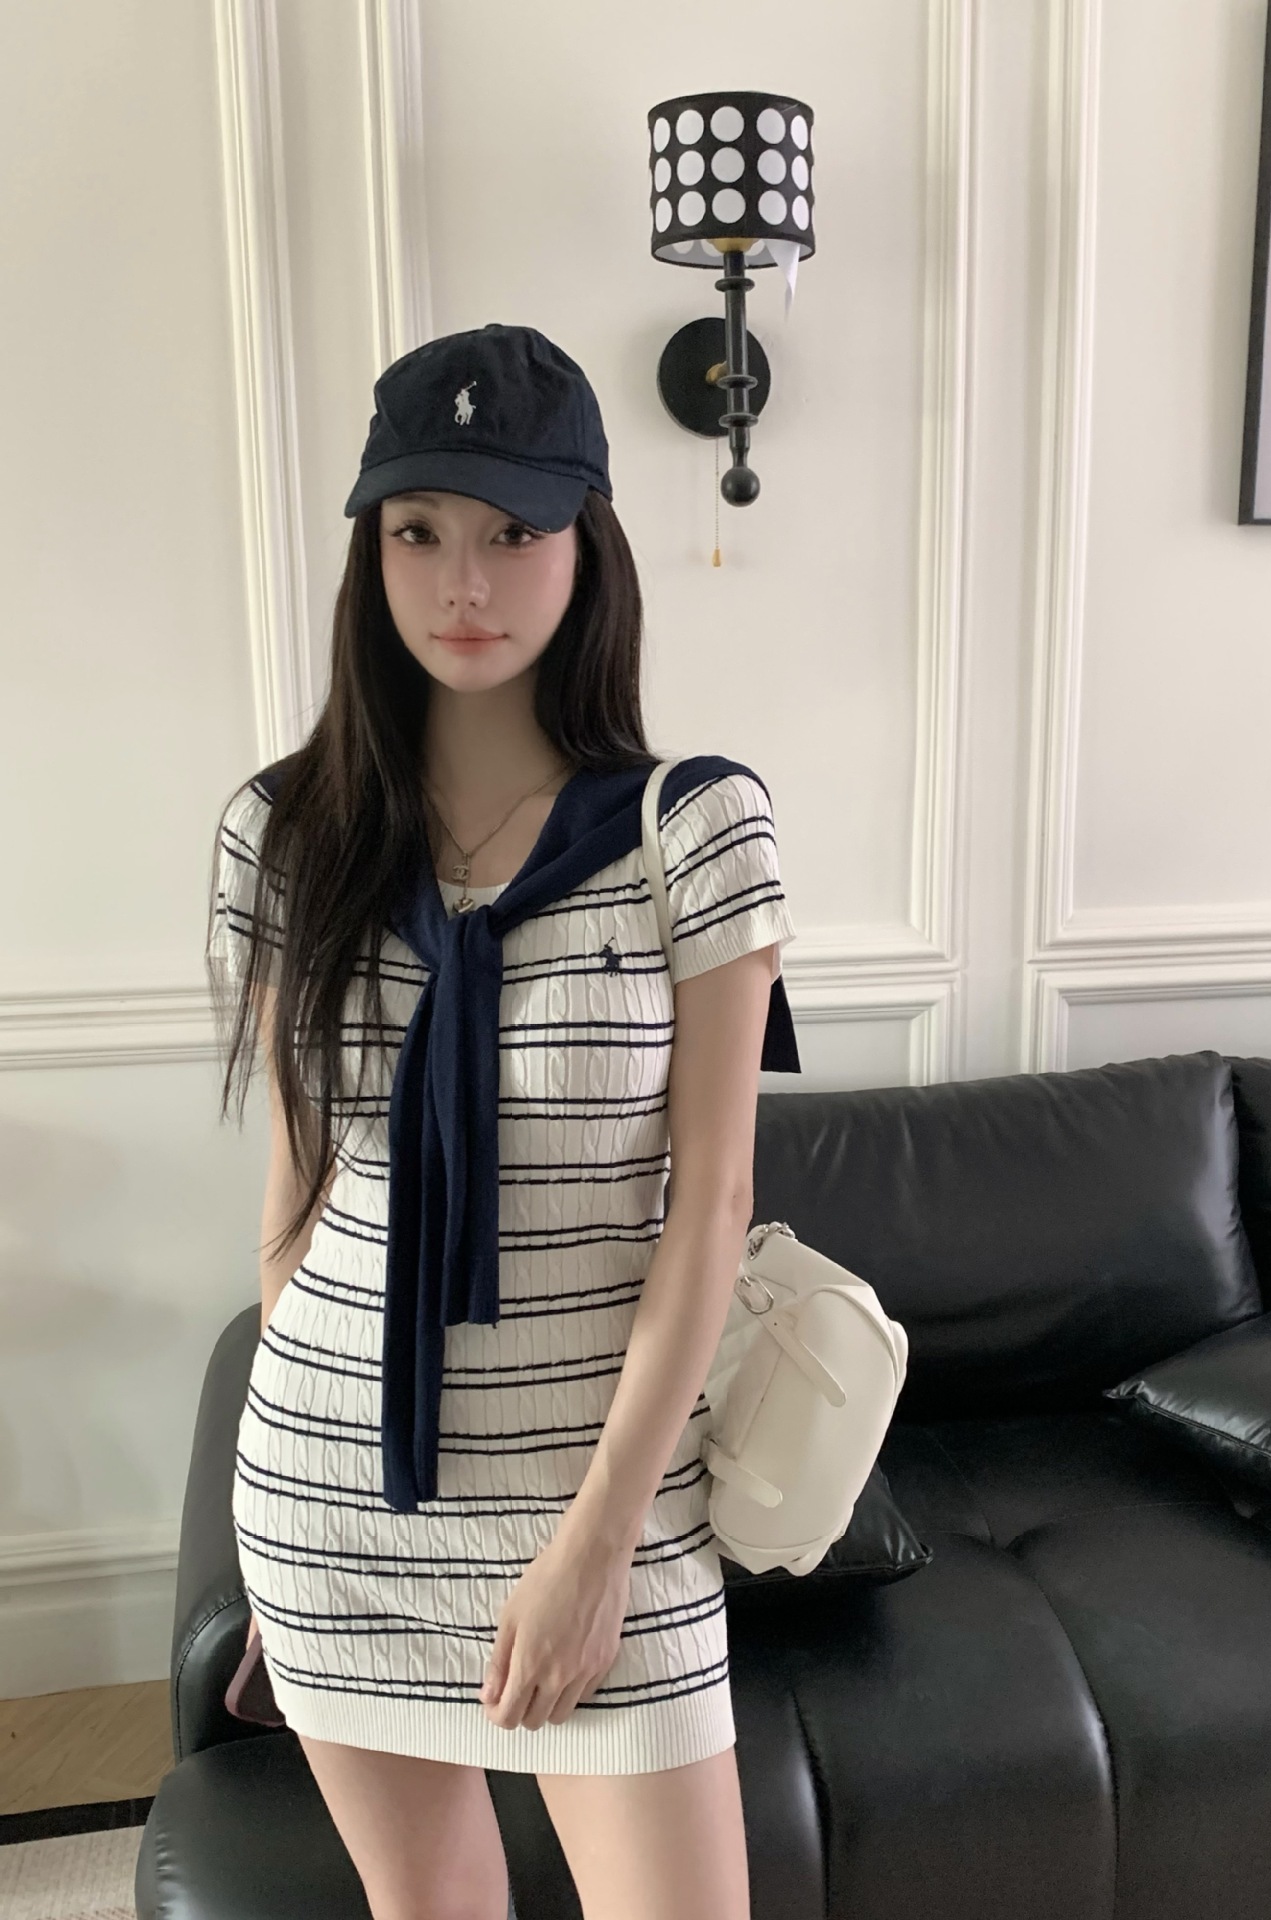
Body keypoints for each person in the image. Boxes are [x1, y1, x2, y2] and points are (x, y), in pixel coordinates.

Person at [206, 322, 799, 1920]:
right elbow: (298, 1188)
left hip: (596, 1503)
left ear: (585, 545)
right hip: (328, 1492)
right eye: (417, 531)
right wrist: (288, 1507)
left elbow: (708, 1208)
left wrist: (600, 1545)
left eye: (512, 531)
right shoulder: (285, 832)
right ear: (370, 553)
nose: (462, 582)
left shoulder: (692, 830)